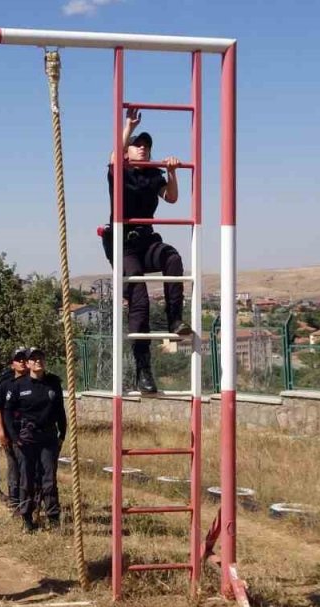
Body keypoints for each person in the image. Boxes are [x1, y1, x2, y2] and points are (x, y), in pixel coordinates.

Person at [104, 107, 192, 394]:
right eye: (137, 145)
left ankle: (175, 320)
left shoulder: (154, 174)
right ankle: (144, 370)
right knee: (139, 295)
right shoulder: (120, 172)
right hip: (123, 243)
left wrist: (172, 172)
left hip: (147, 239)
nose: (143, 149)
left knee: (173, 258)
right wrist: (128, 126)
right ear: (128, 150)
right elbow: (114, 157)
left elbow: (172, 198)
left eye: (147, 146)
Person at [3, 348, 67, 532]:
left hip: (48, 437)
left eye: (41, 358)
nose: (38, 361)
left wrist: (62, 434)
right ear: (28, 364)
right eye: (34, 359)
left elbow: (60, 411)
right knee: (27, 479)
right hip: (27, 438)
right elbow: (7, 411)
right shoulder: (18, 385)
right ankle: (27, 518)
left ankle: (53, 518)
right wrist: (14, 437)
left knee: (49, 479)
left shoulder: (53, 383)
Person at [0, 347, 29, 510]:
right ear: (12, 364)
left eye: (24, 359)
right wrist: (0, 430)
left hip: (29, 431)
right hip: (11, 430)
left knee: (28, 468)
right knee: (14, 466)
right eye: (18, 359)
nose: (22, 362)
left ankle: (28, 500)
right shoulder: (6, 384)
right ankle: (15, 500)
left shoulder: (34, 382)